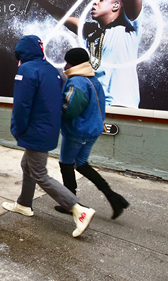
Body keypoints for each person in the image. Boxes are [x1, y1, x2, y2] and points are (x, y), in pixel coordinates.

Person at [2, 35, 96, 238]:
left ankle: (78, 209)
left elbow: (21, 105)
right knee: (27, 165)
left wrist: (18, 129)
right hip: (49, 129)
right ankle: (24, 204)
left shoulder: (26, 70)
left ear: (21, 52)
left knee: (39, 173)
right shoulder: (52, 71)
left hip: (35, 130)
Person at [33, 0, 143, 108]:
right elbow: (64, 18)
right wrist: (40, 0)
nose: (94, 2)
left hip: (122, 105)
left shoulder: (127, 26)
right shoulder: (91, 31)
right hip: (95, 104)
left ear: (116, 6)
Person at [55, 47, 129, 219]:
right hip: (93, 129)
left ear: (71, 63)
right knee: (81, 164)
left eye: (67, 62)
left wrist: (55, 109)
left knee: (66, 164)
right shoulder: (92, 79)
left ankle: (70, 203)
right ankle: (113, 197)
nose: (65, 65)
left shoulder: (77, 82)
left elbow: (70, 109)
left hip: (77, 131)